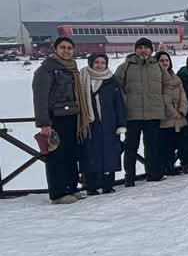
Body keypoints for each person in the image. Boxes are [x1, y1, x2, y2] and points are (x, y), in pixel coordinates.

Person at [32, 37, 90, 204]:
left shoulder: (72, 68)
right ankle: (58, 193)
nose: (66, 51)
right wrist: (44, 123)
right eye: (63, 47)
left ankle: (71, 188)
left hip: (73, 117)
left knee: (71, 154)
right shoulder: (46, 70)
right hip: (56, 119)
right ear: (55, 49)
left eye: (69, 48)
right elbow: (40, 98)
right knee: (57, 156)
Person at [115, 37, 169, 186]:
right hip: (132, 114)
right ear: (135, 49)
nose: (143, 50)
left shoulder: (158, 67)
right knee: (130, 147)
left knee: (152, 146)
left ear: (151, 50)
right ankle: (129, 178)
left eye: (146, 47)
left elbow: (167, 87)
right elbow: (116, 88)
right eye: (140, 47)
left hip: (154, 113)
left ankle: (153, 174)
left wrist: (164, 105)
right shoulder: (125, 67)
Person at [78, 52, 125, 195]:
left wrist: (121, 123)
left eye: (103, 63)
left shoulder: (112, 80)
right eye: (97, 62)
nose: (100, 65)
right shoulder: (82, 79)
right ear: (91, 63)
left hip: (109, 123)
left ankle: (108, 185)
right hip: (89, 124)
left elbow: (119, 103)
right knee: (90, 154)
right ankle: (91, 186)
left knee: (109, 154)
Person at [156, 51, 188, 177]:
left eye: (166, 60)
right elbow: (161, 98)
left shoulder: (175, 77)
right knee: (165, 145)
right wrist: (172, 112)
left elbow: (183, 95)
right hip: (165, 117)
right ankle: (166, 166)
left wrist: (182, 110)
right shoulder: (156, 78)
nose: (164, 63)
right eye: (161, 60)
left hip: (179, 116)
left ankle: (175, 164)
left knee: (178, 143)